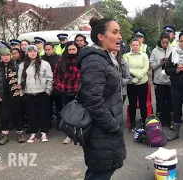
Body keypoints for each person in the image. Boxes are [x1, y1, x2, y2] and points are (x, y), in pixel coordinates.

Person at [76, 17, 125, 180]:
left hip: (105, 128)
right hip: (101, 129)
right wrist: (113, 125)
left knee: (103, 171)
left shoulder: (106, 58)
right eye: (115, 32)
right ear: (101, 37)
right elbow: (93, 101)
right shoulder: (94, 61)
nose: (120, 37)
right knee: (99, 173)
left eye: (119, 32)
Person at [0, 48, 25, 144]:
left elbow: (23, 77)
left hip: (15, 95)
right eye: (4, 56)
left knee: (17, 114)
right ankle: (4, 135)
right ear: (0, 57)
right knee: (4, 116)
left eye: (8, 55)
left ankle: (20, 134)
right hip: (1, 96)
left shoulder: (16, 66)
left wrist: (22, 85)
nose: (6, 57)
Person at [18, 45, 53, 143]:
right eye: (30, 52)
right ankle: (33, 133)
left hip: (42, 93)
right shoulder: (22, 65)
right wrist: (21, 93)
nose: (32, 53)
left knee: (43, 114)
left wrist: (47, 91)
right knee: (31, 114)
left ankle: (44, 132)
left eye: (34, 51)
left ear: (37, 52)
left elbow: (49, 79)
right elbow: (20, 80)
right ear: (27, 53)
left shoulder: (44, 64)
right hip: (29, 93)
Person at [53, 41, 80, 144]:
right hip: (65, 91)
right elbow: (55, 75)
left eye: (74, 49)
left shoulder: (81, 60)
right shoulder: (61, 61)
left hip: (79, 91)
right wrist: (59, 86)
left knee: (78, 113)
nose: (71, 51)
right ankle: (69, 135)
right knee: (68, 114)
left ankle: (78, 133)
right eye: (69, 50)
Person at [123, 39, 149, 131]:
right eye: (133, 45)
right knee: (132, 103)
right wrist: (137, 75)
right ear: (131, 46)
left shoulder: (144, 55)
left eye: (137, 45)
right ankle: (132, 123)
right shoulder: (126, 56)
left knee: (143, 103)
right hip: (131, 83)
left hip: (142, 82)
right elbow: (126, 68)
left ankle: (144, 122)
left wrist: (138, 77)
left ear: (140, 45)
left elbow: (146, 67)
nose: (135, 47)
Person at [150, 32, 173, 127]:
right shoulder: (155, 51)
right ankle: (160, 122)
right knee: (160, 102)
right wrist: (159, 62)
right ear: (160, 40)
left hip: (170, 81)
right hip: (159, 81)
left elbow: (176, 63)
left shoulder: (173, 50)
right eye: (163, 42)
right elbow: (151, 65)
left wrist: (170, 63)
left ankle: (171, 121)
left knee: (171, 102)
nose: (165, 45)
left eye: (167, 42)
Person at [43, 42, 62, 130]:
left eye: (49, 49)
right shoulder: (42, 59)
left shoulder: (59, 58)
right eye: (45, 50)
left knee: (59, 105)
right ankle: (48, 122)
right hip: (45, 85)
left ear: (53, 49)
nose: (47, 51)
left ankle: (60, 122)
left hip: (57, 86)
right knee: (47, 106)